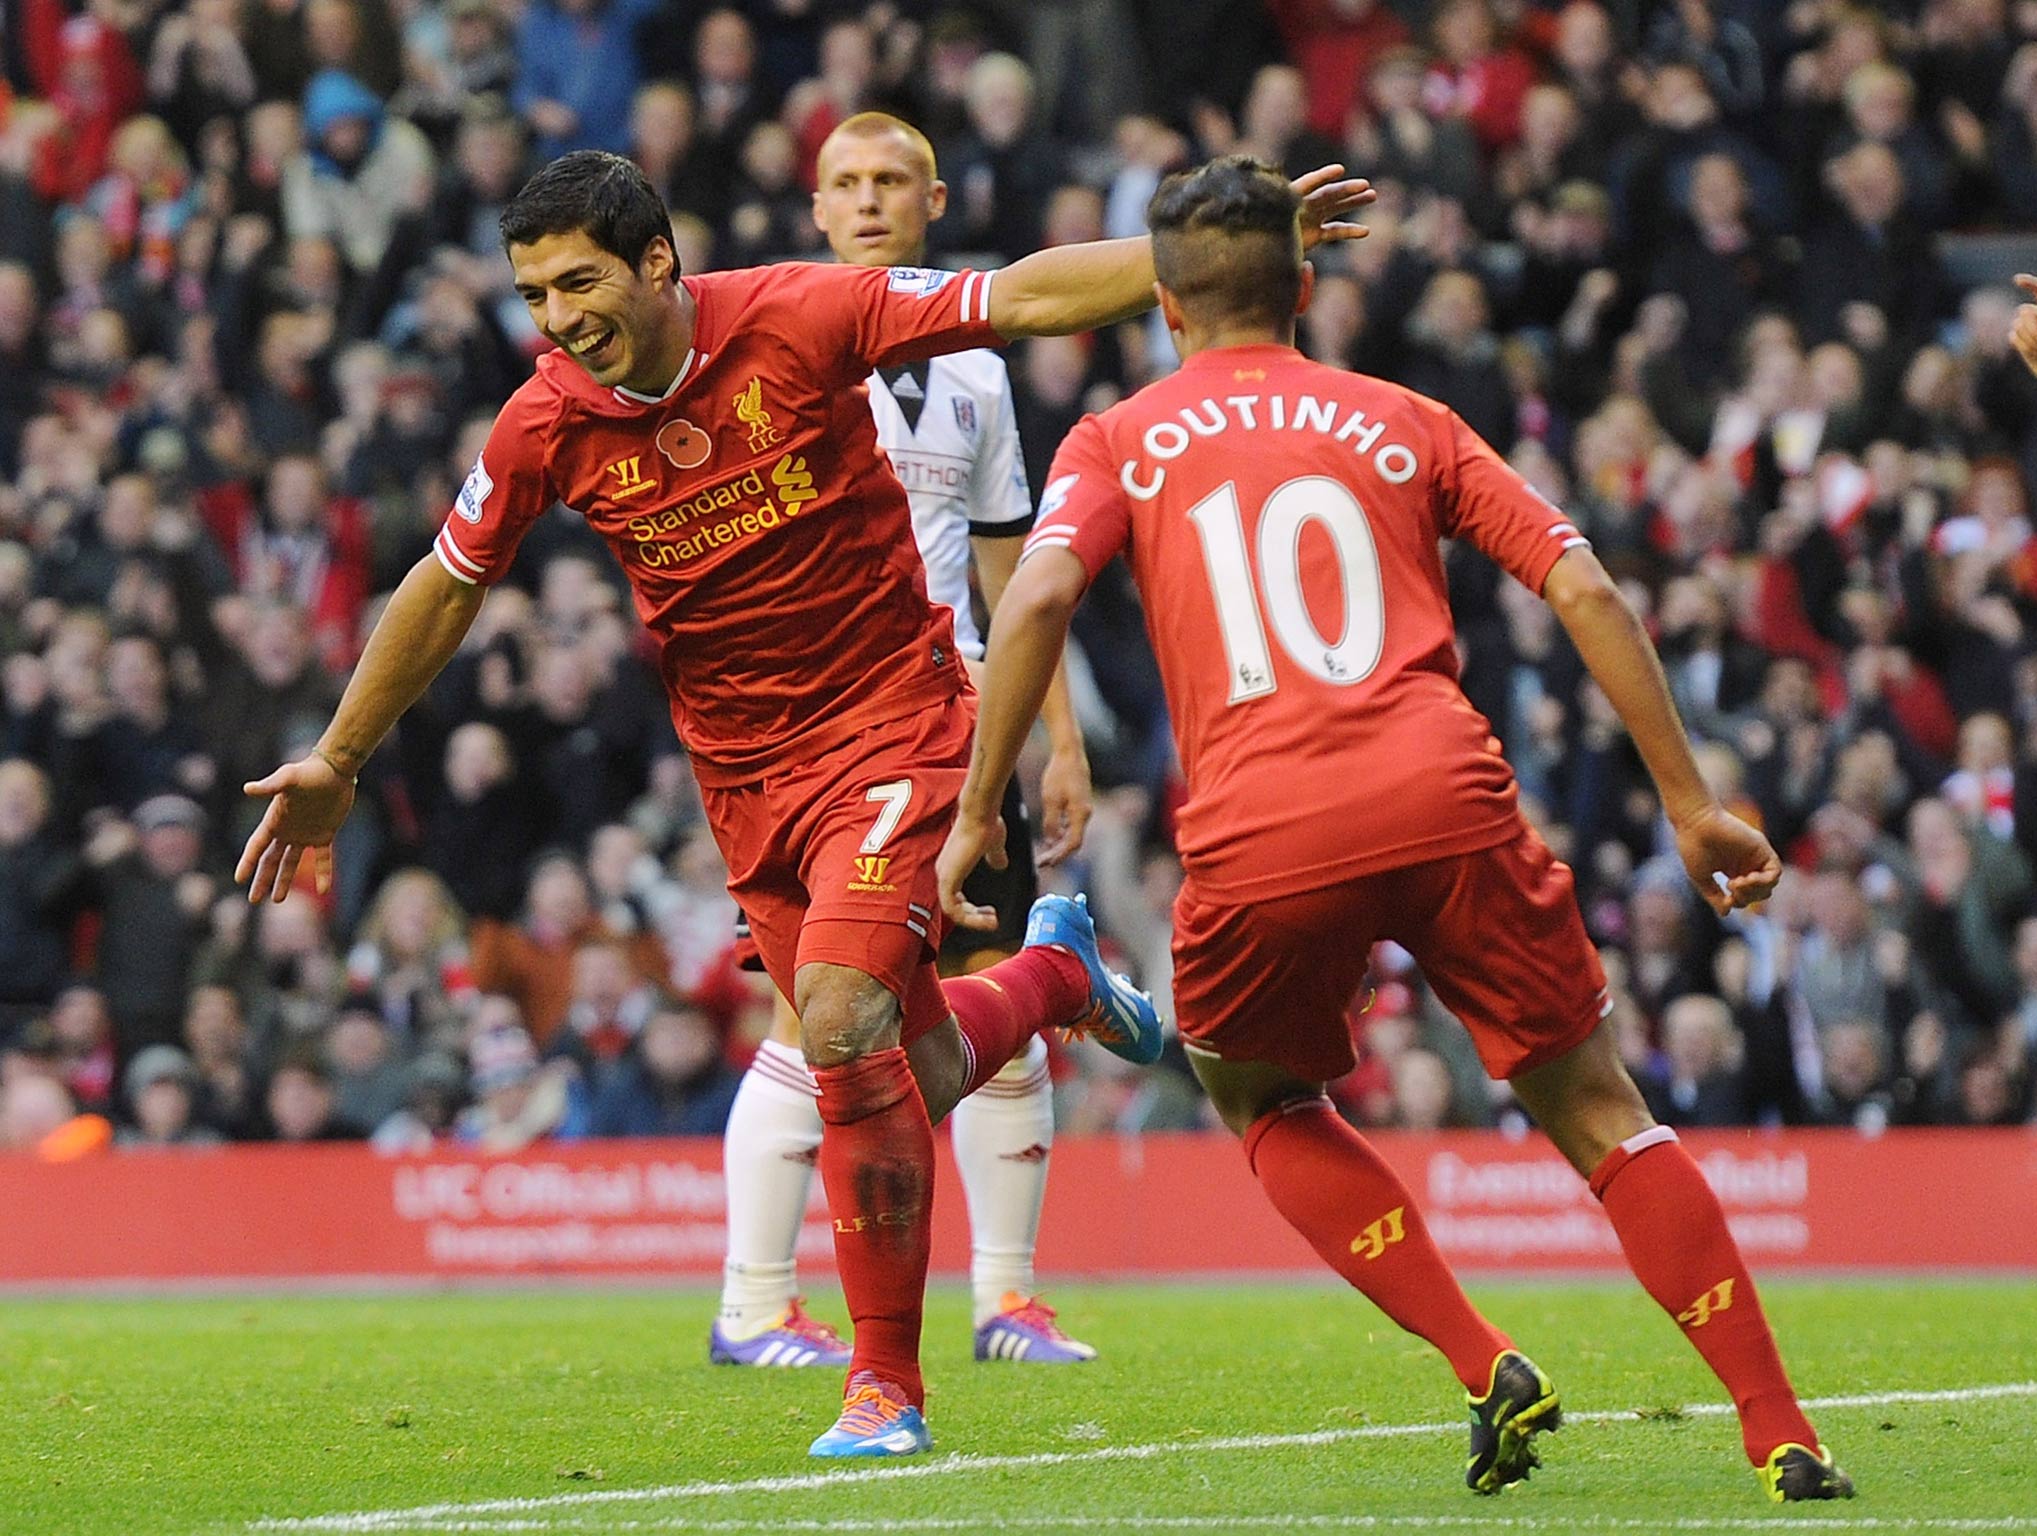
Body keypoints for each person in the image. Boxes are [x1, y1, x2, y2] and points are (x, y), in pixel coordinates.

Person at [233, 147, 1371, 1458]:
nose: (557, 318)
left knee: (835, 1022)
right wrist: (340, 754)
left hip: (897, 722)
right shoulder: (546, 418)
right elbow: (446, 582)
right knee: (918, 1070)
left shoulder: (798, 313)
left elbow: (1019, 299)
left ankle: (886, 1387)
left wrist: (1212, 259)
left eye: (578, 282)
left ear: (657, 260)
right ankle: (1057, 979)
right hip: (742, 780)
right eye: (535, 293)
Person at [937, 157, 1852, 1503]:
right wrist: (1688, 800)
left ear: (1165, 311)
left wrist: (975, 812)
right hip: (1445, 796)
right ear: (1304, 286)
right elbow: (1584, 585)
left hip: (1261, 834)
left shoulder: (1120, 438)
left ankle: (1486, 1361)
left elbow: (1030, 606)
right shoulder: (1405, 418)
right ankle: (1781, 1429)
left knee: (1255, 1094)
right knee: (1602, 1113)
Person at [713, 112, 1099, 1374]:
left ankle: (1005, 1301)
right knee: (816, 1014)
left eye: (892, 182)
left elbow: (1013, 575)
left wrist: (1058, 739)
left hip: (953, 721)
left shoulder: (978, 366)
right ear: (813, 208)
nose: (870, 202)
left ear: (933, 199)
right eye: (847, 184)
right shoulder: (770, 351)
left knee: (974, 1008)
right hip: (821, 729)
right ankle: (754, 1303)